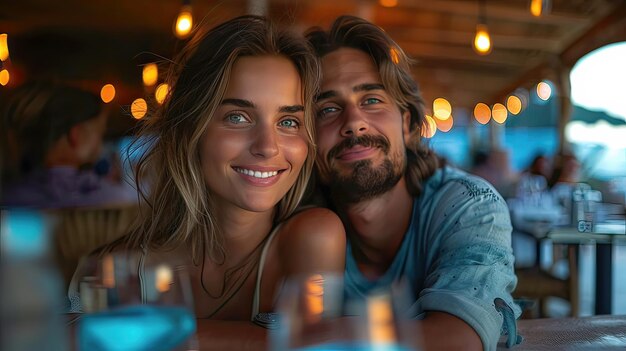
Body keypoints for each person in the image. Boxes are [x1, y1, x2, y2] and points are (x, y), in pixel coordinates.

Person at [69, 15, 346, 328]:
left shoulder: (314, 237)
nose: (268, 147)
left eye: (288, 122)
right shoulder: (114, 269)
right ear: (190, 130)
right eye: (238, 117)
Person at [305, 16, 521, 350]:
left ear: (406, 124)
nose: (354, 123)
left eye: (372, 100)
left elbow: (458, 341)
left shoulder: (470, 205)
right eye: (328, 109)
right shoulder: (298, 218)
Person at [0, 81, 138, 208]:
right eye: (100, 134)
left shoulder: (10, 194)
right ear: (75, 136)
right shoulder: (108, 197)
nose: (101, 144)